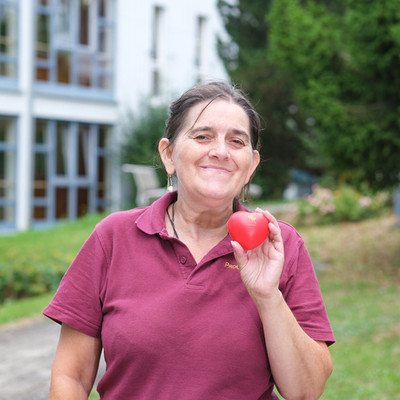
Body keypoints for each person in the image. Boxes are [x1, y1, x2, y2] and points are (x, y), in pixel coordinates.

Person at [44, 81, 335, 400]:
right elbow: (70, 376)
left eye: (236, 141)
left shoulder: (280, 244)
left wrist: (268, 297)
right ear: (168, 154)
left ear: (250, 165)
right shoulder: (113, 237)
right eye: (202, 136)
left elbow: (306, 392)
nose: (221, 152)